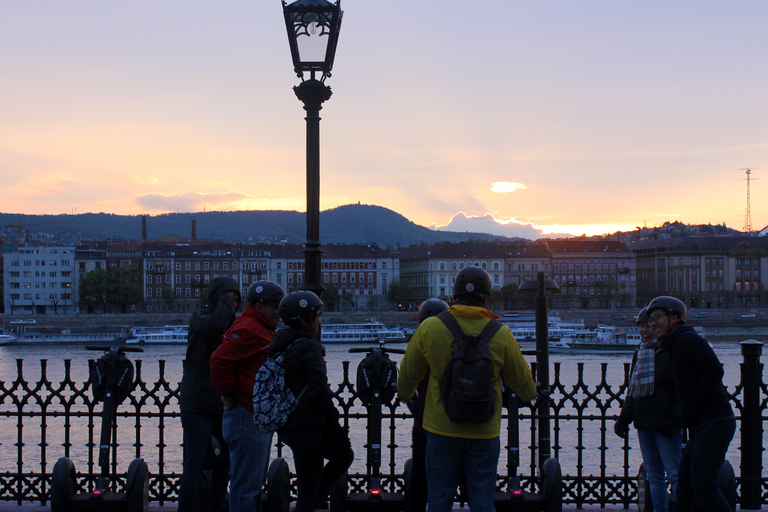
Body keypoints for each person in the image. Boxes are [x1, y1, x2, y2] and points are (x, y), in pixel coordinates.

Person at [397, 267, 536, 512]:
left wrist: (408, 396)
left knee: (439, 500)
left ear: (454, 296)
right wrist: (529, 395)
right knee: (482, 501)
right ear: (487, 299)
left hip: (441, 428)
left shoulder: (430, 328)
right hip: (484, 430)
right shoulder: (501, 334)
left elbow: (407, 376)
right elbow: (524, 384)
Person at [646, 296, 735, 512]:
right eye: (650, 320)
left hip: (714, 422)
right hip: (701, 426)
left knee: (704, 484)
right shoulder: (672, 345)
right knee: (685, 487)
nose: (653, 323)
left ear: (674, 317)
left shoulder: (687, 339)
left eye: (657, 317)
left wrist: (690, 405)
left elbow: (715, 370)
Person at [269, 291, 354, 512]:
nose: (320, 320)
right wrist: (333, 418)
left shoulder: (282, 342)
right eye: (317, 316)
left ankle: (315, 498)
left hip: (290, 423)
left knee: (339, 458)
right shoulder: (308, 346)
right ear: (305, 318)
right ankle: (314, 499)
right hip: (307, 424)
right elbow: (318, 389)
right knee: (309, 488)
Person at [210, 281, 286, 512]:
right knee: (246, 486)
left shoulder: (259, 327)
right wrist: (228, 395)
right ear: (258, 305)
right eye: (274, 307)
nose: (278, 313)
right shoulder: (249, 329)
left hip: (254, 414)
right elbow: (219, 360)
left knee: (253, 484)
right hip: (245, 414)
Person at [178, 276, 241, 512]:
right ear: (217, 298)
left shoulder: (233, 326)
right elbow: (215, 325)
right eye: (228, 298)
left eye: (236, 300)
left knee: (224, 462)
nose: (233, 304)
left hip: (222, 402)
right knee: (195, 461)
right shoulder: (199, 320)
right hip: (196, 402)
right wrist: (225, 301)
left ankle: (216, 507)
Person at [614, 307, 681, 512]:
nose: (644, 331)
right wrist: (624, 419)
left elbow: (680, 390)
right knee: (654, 475)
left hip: (665, 423)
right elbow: (633, 389)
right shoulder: (640, 352)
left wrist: (673, 419)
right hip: (644, 422)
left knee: (675, 473)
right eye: (641, 326)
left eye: (647, 326)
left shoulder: (670, 351)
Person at [404, 298, 449, 512]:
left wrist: (412, 404)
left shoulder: (420, 339)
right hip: (460, 420)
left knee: (420, 476)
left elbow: (406, 380)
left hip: (425, 422)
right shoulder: (455, 338)